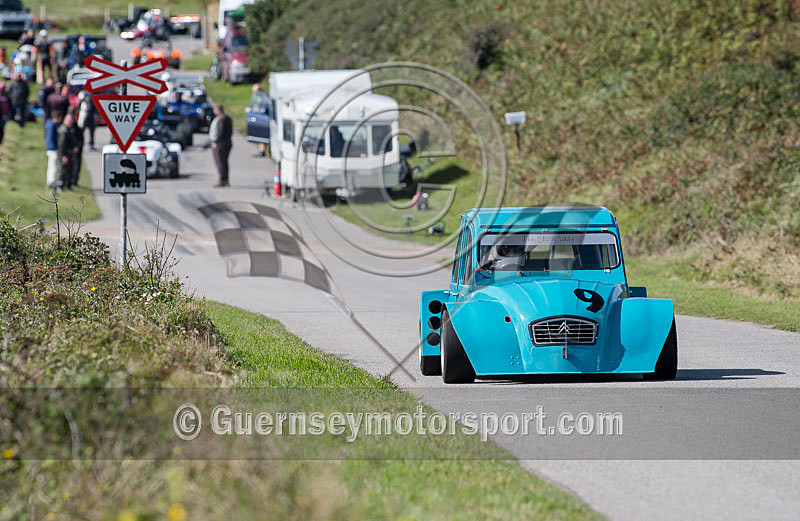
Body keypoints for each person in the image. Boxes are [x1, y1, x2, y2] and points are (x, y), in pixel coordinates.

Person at [209, 104, 232, 187]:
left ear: (218, 110)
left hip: (220, 143)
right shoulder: (227, 118)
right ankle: (225, 179)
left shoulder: (221, 119)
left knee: (220, 162)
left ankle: (222, 180)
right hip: (227, 142)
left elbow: (220, 131)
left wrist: (216, 141)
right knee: (224, 162)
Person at [57, 112, 78, 190]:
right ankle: (60, 186)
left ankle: (67, 186)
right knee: (63, 171)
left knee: (70, 170)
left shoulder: (71, 129)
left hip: (70, 153)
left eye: (71, 119)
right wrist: (63, 156)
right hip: (65, 153)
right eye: (69, 119)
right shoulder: (63, 130)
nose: (70, 121)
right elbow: (61, 145)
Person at [45, 112, 61, 190]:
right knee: (54, 166)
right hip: (52, 149)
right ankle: (52, 181)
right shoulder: (52, 125)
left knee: (51, 165)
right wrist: (55, 148)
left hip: (50, 148)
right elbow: (51, 138)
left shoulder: (49, 124)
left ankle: (50, 181)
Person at [68, 108, 84, 187]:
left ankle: (74, 181)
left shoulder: (77, 128)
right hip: (70, 149)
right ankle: (70, 181)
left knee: (76, 165)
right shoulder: (68, 128)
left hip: (77, 147)